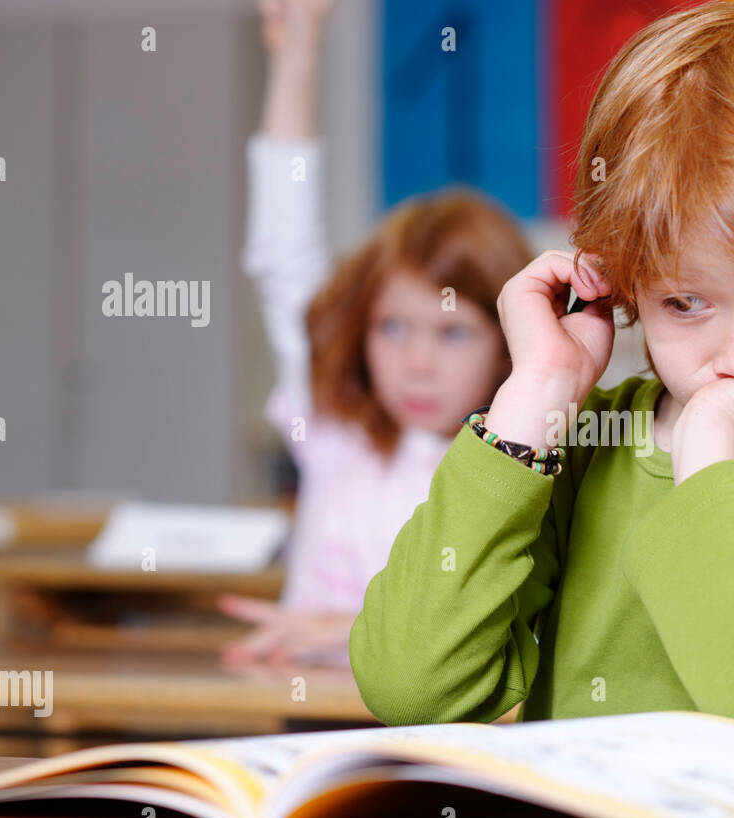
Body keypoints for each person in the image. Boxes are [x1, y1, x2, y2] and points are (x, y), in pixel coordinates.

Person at [349, 0, 734, 766]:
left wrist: (709, 447)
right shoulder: (585, 450)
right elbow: (410, 687)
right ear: (624, 287)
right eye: (686, 303)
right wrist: (535, 395)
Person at [221, 0, 533, 665]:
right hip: (304, 717)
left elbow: (516, 636)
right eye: (392, 327)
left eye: (452, 334)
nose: (416, 363)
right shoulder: (336, 429)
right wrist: (299, 50)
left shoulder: (515, 470)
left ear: (510, 346)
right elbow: (284, 252)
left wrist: (348, 629)